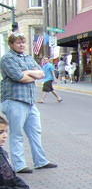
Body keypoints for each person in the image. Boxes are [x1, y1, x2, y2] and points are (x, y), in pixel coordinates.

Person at [0, 33, 58, 174]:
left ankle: (40, 161)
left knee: (35, 132)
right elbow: (19, 77)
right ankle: (19, 165)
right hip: (15, 100)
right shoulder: (7, 58)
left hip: (30, 102)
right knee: (17, 133)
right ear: (11, 44)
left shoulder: (28, 57)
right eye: (18, 42)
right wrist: (30, 75)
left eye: (23, 42)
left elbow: (42, 74)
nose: (21, 45)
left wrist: (28, 72)